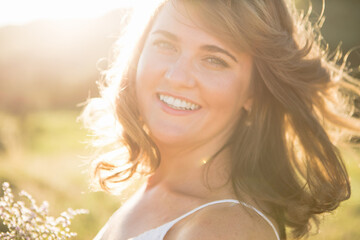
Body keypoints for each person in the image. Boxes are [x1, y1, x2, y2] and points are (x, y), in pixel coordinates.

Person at [81, 0, 360, 239]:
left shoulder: (224, 229)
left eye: (215, 60)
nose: (177, 76)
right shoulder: (157, 189)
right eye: (165, 44)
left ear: (254, 92)